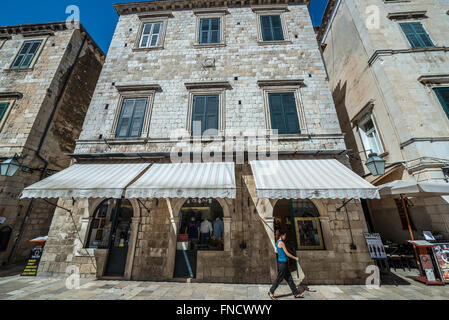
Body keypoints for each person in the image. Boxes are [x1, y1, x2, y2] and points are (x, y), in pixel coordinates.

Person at [269, 231, 304, 300]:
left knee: (290, 279)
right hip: (283, 264)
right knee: (279, 279)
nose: (285, 237)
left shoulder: (277, 242)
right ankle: (271, 292)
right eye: (285, 235)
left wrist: (280, 252)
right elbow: (287, 253)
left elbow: (275, 251)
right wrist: (295, 258)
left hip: (281, 263)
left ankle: (296, 293)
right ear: (281, 235)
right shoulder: (281, 243)